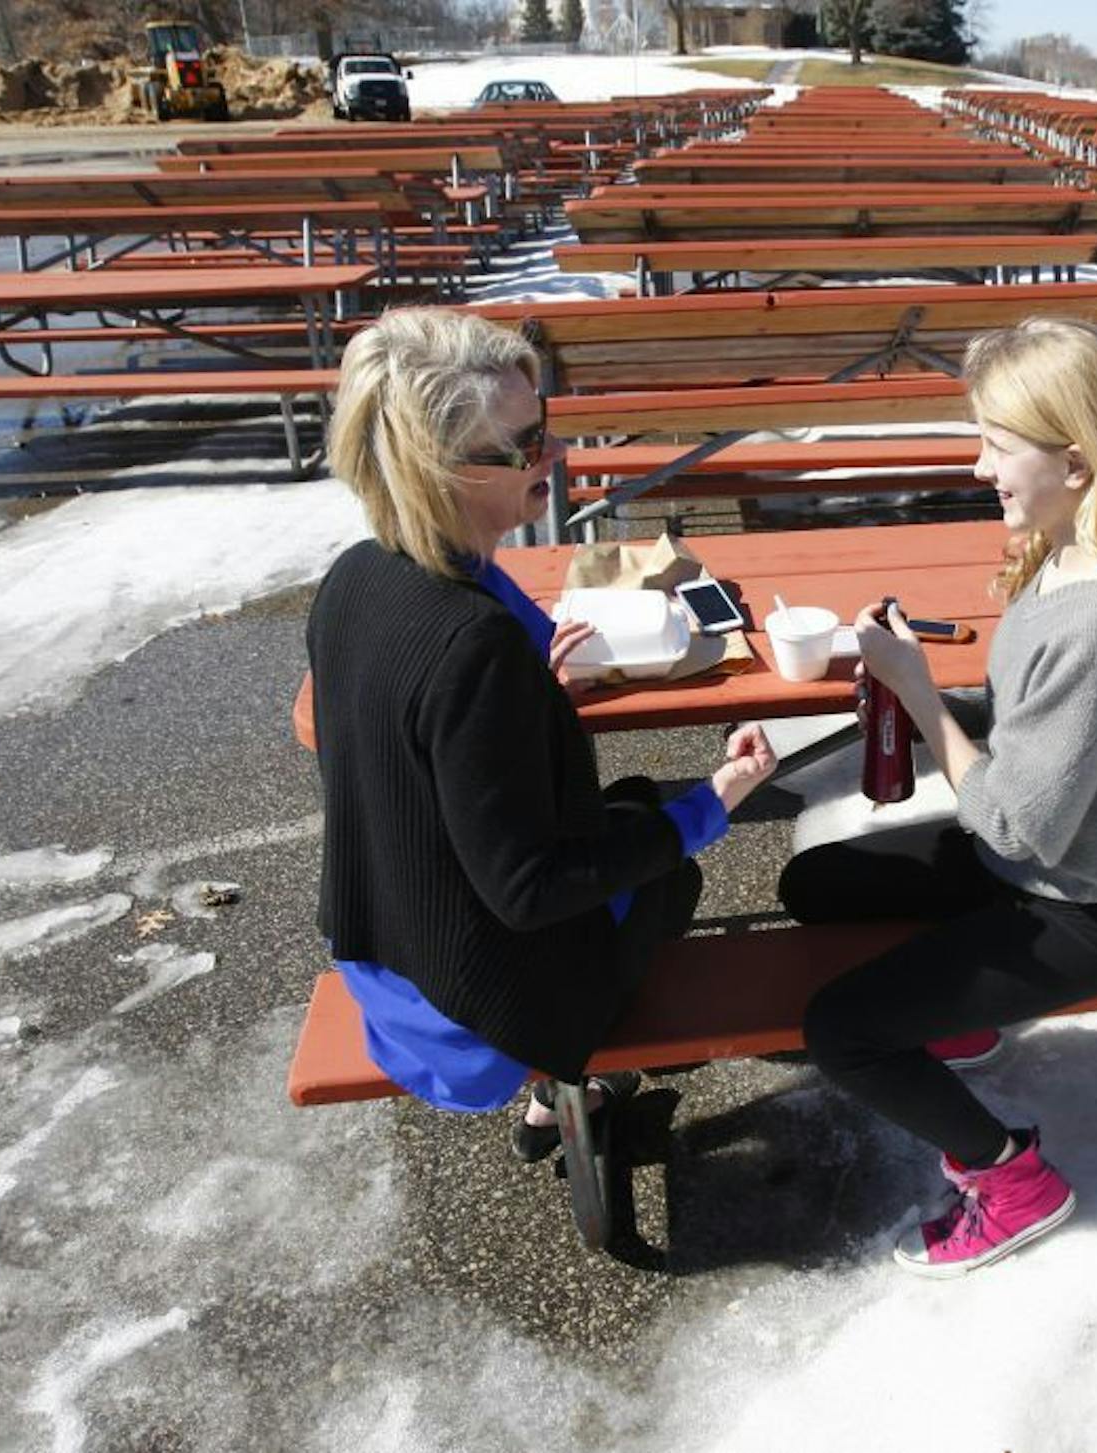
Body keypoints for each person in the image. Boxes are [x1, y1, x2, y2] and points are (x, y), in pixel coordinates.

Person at [777, 317, 1097, 1277]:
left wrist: (925, 701)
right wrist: (922, 684)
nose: (979, 468)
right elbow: (1030, 726)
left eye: (998, 446)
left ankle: (1011, 1179)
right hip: (1013, 866)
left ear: (1079, 460)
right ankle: (953, 1011)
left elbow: (1018, 816)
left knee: (839, 1031)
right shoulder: (1062, 545)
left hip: (1075, 911)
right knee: (817, 883)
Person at [307, 307, 775, 1163]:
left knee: (632, 808)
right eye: (525, 446)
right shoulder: (472, 642)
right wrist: (714, 801)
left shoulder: (358, 575)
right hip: (471, 1010)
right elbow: (530, 888)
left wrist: (537, 692)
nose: (554, 457)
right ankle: (566, 1083)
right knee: (670, 867)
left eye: (547, 429)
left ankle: (564, 1084)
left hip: (384, 952)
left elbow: (425, 754)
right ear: (438, 467)